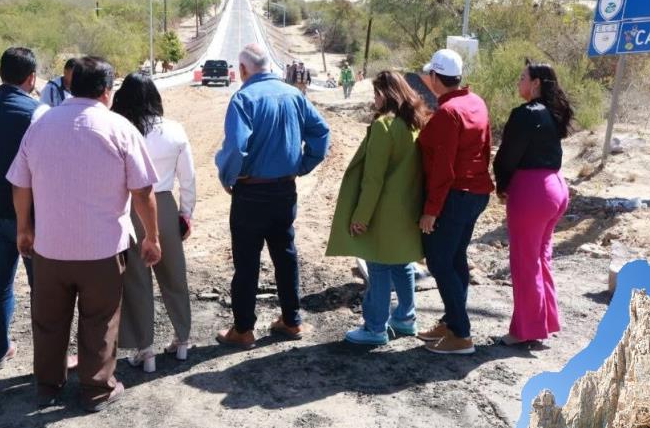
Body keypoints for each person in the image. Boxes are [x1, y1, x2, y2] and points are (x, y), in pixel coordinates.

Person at [7, 57, 162, 412]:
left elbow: (20, 182)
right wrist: (152, 236)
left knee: (48, 321)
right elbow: (143, 192)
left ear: (71, 85)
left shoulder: (41, 125)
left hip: (50, 249)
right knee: (100, 321)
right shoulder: (120, 128)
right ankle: (96, 389)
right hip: (102, 251)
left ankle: (47, 385)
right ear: (107, 91)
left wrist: (24, 229)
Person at [214, 43, 330, 348]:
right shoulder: (294, 95)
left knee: (247, 261)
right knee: (285, 254)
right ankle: (292, 321)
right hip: (284, 190)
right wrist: (303, 165)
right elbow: (321, 133)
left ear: (242, 70)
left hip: (251, 192)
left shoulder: (243, 98)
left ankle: (243, 329)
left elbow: (236, 147)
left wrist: (227, 177)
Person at [326, 71, 429, 345]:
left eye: (376, 94)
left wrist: (360, 217)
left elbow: (373, 180)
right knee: (402, 263)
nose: (374, 100)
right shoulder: (414, 124)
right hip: (408, 209)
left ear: (386, 94)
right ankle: (406, 319)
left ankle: (375, 328)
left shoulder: (384, 126)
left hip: (383, 213)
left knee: (379, 267)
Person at [0, 47, 49, 369]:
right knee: (40, 287)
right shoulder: (36, 112)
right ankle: (46, 353)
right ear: (31, 78)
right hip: (28, 214)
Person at [112, 73, 197, 371]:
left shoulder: (121, 130)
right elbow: (188, 178)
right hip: (164, 203)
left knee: (136, 280)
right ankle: (183, 339)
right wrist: (186, 214)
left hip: (131, 206)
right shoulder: (174, 130)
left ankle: (145, 349)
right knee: (174, 275)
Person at [416, 49, 494, 355]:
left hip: (455, 196)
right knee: (456, 258)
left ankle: (461, 334)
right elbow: (486, 148)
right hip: (476, 193)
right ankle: (451, 321)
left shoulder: (448, 113)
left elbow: (443, 168)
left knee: (438, 261)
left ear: (435, 77)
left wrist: (431, 210)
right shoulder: (475, 102)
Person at [493, 62, 572, 346]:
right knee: (540, 258)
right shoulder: (554, 113)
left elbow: (507, 156)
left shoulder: (525, 114)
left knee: (525, 262)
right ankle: (545, 321)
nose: (519, 81)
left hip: (532, 191)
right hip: (556, 188)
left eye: (523, 77)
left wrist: (502, 184)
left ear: (536, 83)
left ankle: (524, 331)